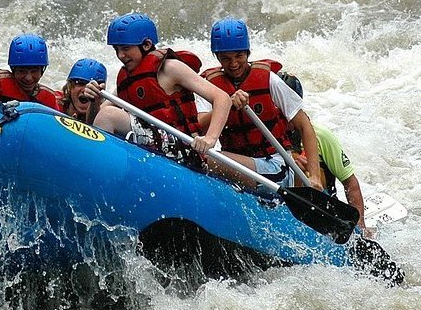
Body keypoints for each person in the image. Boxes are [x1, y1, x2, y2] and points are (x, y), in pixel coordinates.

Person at [84, 12, 232, 168]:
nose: (121, 55)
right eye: (117, 49)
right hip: (155, 142)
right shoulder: (127, 79)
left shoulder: (170, 68)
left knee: (109, 115)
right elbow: (96, 122)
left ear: (146, 44)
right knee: (106, 114)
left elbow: (222, 98)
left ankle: (99, 169)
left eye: (126, 48)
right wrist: (94, 102)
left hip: (183, 148)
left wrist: (210, 138)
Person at [197, 18, 323, 191]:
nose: (233, 64)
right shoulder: (210, 86)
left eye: (239, 56)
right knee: (195, 154)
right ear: (217, 57)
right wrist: (226, 104)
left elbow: (304, 125)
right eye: (225, 58)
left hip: (275, 166)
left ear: (247, 53)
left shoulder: (270, 80)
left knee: (207, 159)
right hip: (241, 165)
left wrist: (315, 177)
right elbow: (199, 124)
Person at [278, 72, 368, 233]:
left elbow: (350, 183)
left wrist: (360, 228)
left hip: (320, 207)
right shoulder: (262, 134)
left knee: (304, 169)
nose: (282, 112)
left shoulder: (320, 135)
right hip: (281, 205)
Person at [57, 58, 107, 123]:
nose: (85, 90)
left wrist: (95, 104)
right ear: (69, 86)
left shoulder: (105, 116)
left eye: (93, 87)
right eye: (80, 83)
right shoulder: (54, 101)